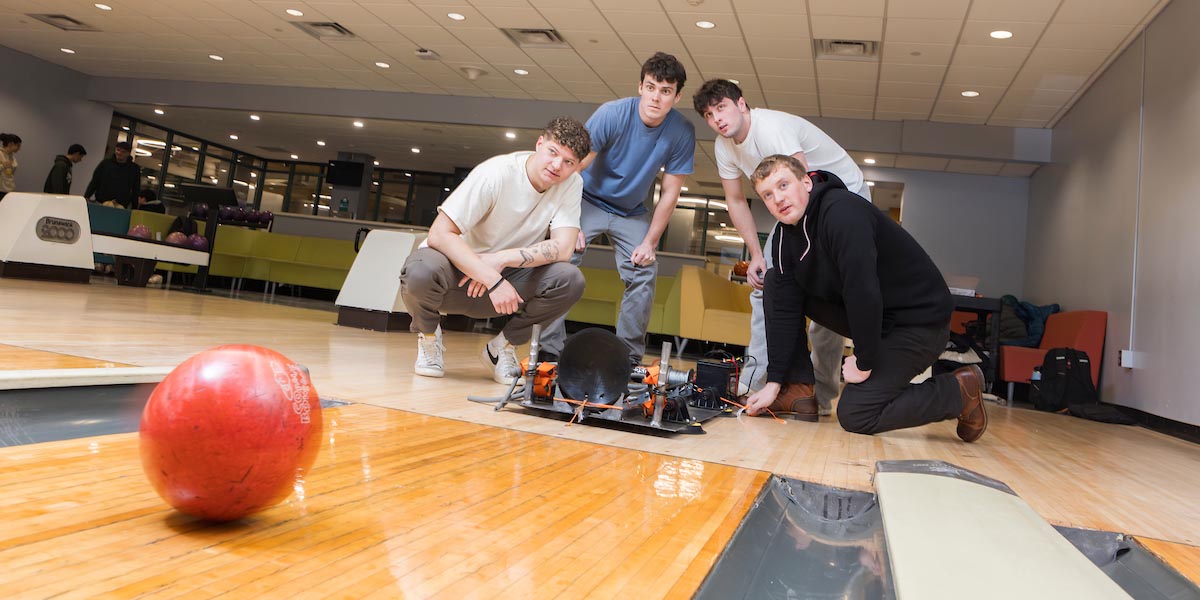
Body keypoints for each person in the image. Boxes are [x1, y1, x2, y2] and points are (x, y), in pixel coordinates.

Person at [744, 155, 987, 443]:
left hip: (919, 323)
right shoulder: (784, 237)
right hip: (881, 318)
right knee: (777, 283)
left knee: (856, 413)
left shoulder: (842, 213)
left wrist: (863, 361)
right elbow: (784, 306)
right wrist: (774, 382)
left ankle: (958, 391)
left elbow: (862, 289)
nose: (778, 199)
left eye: (783, 185)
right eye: (767, 195)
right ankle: (797, 388)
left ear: (806, 182)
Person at [693, 78, 871, 419]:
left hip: (841, 197)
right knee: (765, 285)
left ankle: (820, 394)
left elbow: (802, 187)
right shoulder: (723, 146)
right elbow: (735, 200)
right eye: (709, 115)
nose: (717, 119)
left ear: (741, 104)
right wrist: (756, 255)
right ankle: (757, 385)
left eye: (721, 108)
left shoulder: (771, 128)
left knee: (828, 295)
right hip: (798, 206)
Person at [400, 117, 591, 384]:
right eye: (552, 152)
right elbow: (439, 234)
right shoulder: (497, 173)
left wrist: (500, 259)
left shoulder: (571, 184)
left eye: (568, 162)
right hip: (455, 275)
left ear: (577, 166)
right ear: (539, 144)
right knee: (419, 271)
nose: (557, 165)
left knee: (570, 280)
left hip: (508, 285)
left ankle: (501, 348)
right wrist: (491, 278)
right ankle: (429, 337)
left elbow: (564, 248)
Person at [538, 52, 696, 366]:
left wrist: (650, 243)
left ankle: (627, 358)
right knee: (563, 256)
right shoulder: (612, 114)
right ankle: (548, 350)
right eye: (650, 87)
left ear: (676, 97)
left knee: (644, 270)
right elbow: (575, 168)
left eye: (665, 91)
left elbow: (670, 192)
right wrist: (568, 222)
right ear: (640, 87)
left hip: (631, 211)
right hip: (586, 199)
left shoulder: (682, 131)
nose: (656, 97)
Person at [84, 141, 140, 208]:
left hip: (121, 205)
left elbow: (136, 188)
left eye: (123, 152)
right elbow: (95, 181)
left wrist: (135, 206)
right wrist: (86, 196)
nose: (119, 153)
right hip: (101, 201)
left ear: (128, 153)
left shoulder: (134, 169)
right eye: (118, 150)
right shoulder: (105, 164)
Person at [0, 133, 22, 200]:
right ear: (10, 144)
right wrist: (2, 166)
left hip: (9, 189)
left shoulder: (11, 156)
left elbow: (11, 172)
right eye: (18, 146)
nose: (19, 149)